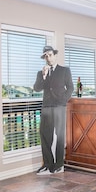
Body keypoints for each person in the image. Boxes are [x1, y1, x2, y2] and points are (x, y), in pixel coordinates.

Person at [34, 45, 73, 175]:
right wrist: (44, 76)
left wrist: (63, 101)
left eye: (50, 55)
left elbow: (71, 88)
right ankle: (48, 164)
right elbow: (37, 88)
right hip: (46, 107)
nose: (48, 58)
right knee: (45, 135)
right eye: (46, 56)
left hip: (59, 106)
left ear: (55, 55)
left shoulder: (64, 70)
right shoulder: (41, 73)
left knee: (60, 136)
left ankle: (59, 165)